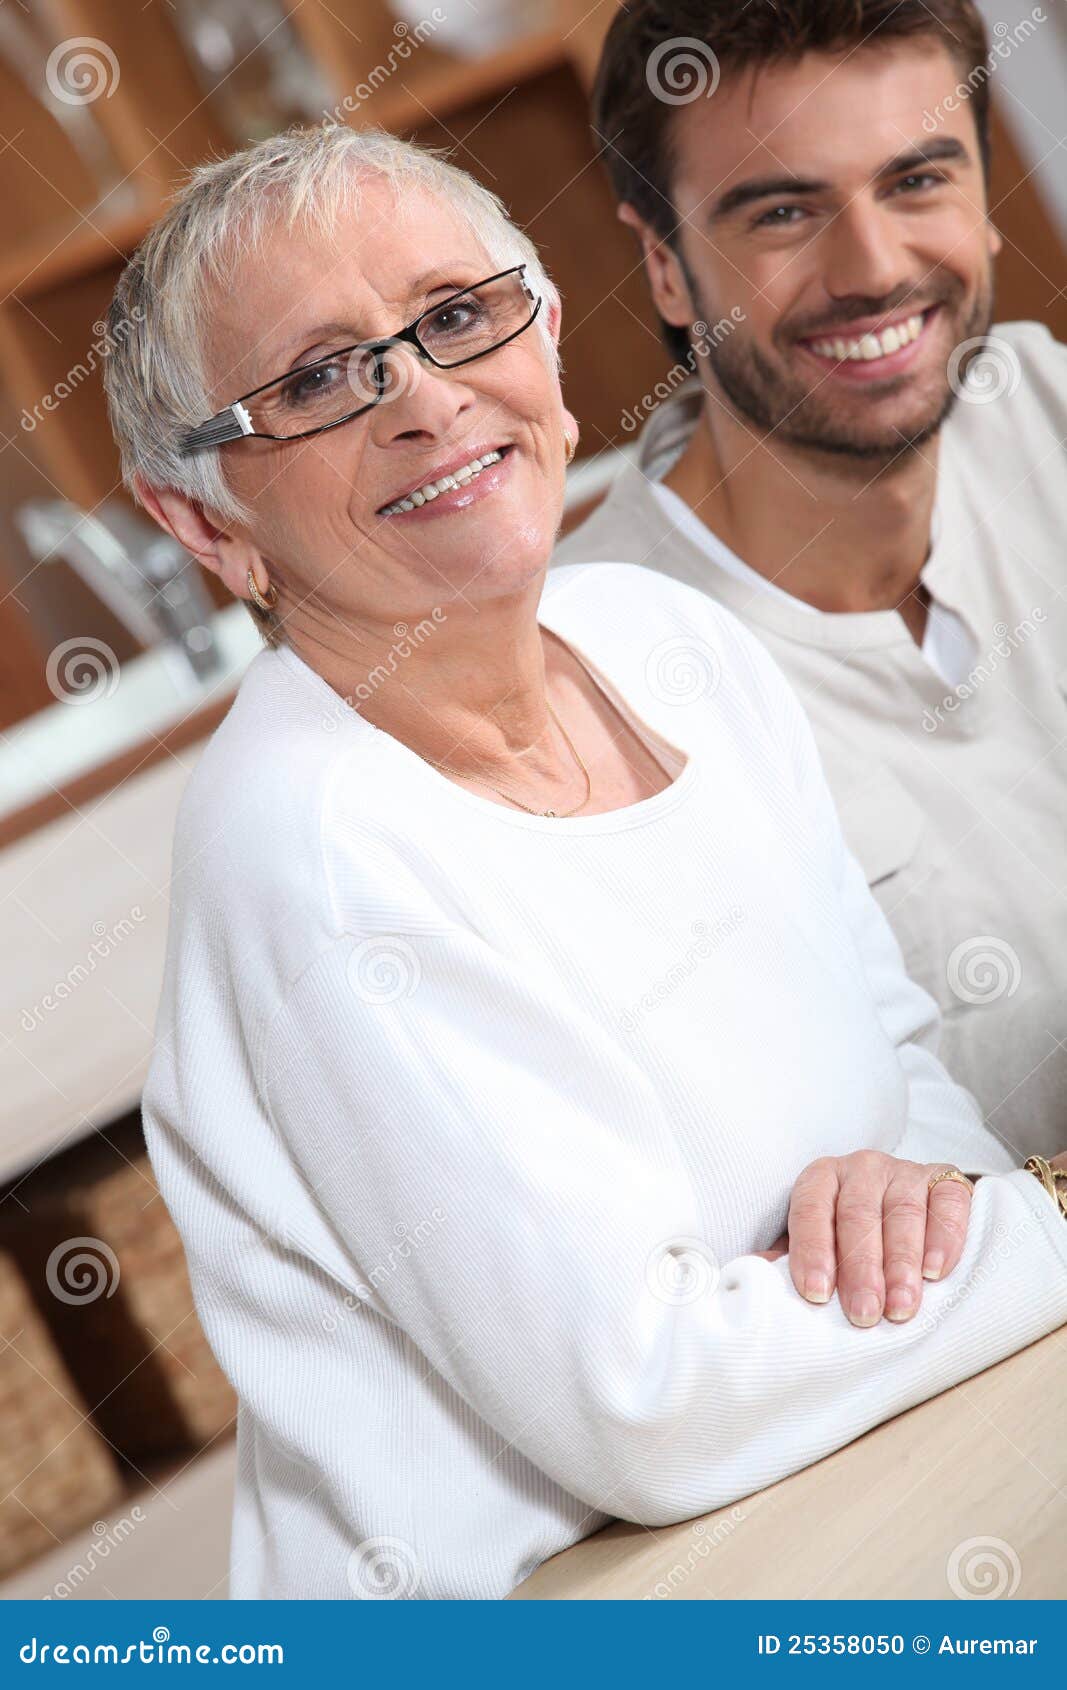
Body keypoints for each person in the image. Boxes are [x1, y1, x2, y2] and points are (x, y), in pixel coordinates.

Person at [103, 124, 1067, 1602]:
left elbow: (903, 1070)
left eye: (454, 315)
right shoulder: (312, 844)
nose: (424, 399)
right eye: (313, 380)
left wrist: (925, 1197)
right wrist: (1035, 1220)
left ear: (543, 332)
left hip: (835, 1493)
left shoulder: (668, 637)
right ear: (201, 520)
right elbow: (651, 1403)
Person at [556, 0, 1067, 1159]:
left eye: (917, 181)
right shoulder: (597, 678)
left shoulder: (1044, 415)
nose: (873, 268)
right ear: (665, 268)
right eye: (782, 212)